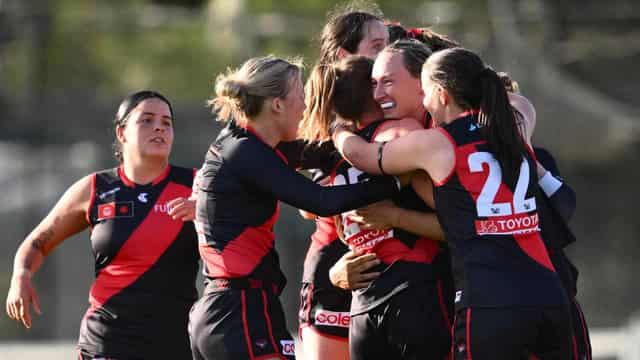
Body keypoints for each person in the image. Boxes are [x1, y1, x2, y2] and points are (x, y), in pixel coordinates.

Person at [332, 47, 572, 359]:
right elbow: (522, 105)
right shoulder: (512, 124)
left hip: (489, 299)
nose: (426, 101)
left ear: (442, 95)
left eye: (427, 91)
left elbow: (363, 157)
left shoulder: (437, 142)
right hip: (548, 293)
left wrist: (337, 130)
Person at [188, 55, 402, 360]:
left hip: (226, 309)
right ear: (277, 105)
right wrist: (395, 182)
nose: (305, 108)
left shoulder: (245, 142)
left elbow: (320, 153)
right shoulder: (246, 153)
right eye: (301, 97)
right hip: (241, 310)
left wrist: (364, 134)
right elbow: (321, 201)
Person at [5, 90, 200, 359]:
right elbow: (37, 242)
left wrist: (207, 211)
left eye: (167, 122)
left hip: (174, 341)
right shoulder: (95, 188)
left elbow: (250, 222)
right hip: (107, 341)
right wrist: (21, 276)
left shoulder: (198, 185)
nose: (159, 127)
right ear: (122, 133)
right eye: (147, 120)